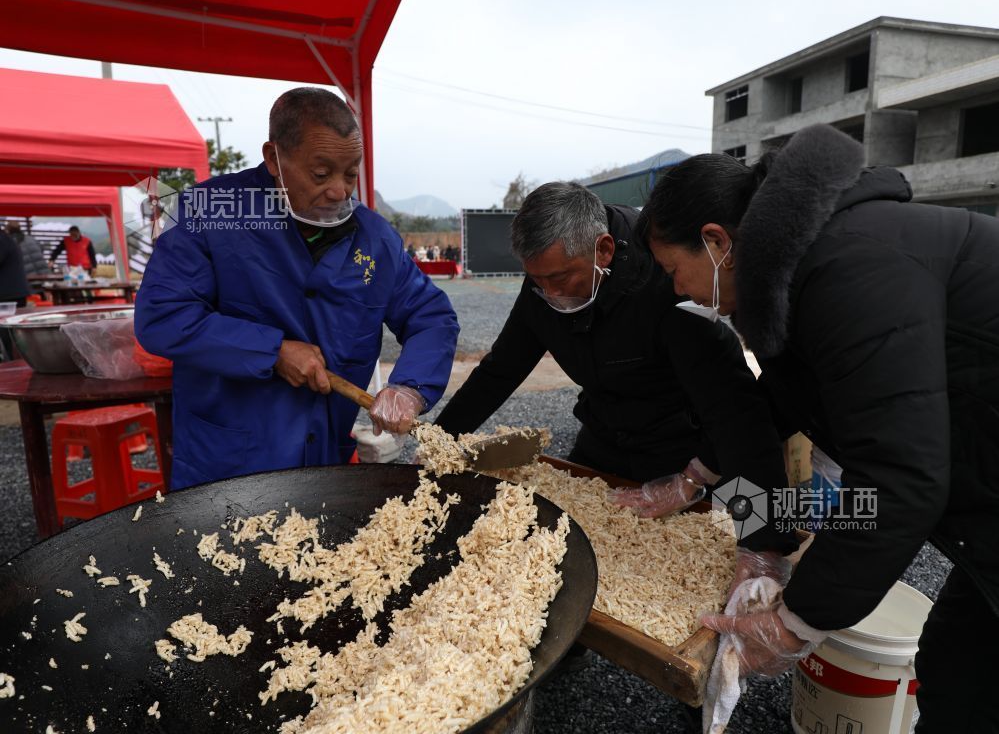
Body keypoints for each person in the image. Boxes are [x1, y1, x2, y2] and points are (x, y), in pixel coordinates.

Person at [638, 123, 999, 731]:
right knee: (959, 671)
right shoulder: (797, 271)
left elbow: (900, 477)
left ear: (717, 241)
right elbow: (779, 401)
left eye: (674, 270)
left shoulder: (849, 265)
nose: (676, 289)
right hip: (984, 496)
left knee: (970, 683)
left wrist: (791, 622)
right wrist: (699, 472)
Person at [435, 181, 796, 561]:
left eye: (559, 280)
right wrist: (438, 439)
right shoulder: (547, 277)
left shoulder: (668, 279)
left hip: (684, 450)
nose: (549, 294)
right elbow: (500, 370)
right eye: (536, 282)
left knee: (691, 557)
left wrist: (765, 547)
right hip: (603, 435)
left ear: (603, 250)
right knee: (568, 549)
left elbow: (735, 407)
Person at [135, 87, 459, 490]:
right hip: (227, 466)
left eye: (351, 173)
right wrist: (271, 350)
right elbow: (163, 316)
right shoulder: (208, 213)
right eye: (321, 174)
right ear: (274, 158)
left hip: (324, 463)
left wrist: (410, 388)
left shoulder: (375, 239)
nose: (340, 191)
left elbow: (432, 318)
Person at [0, 224, 29, 360]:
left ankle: (14, 364)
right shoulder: (5, 239)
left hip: (9, 293)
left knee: (9, 332)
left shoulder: (2, 240)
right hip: (11, 291)